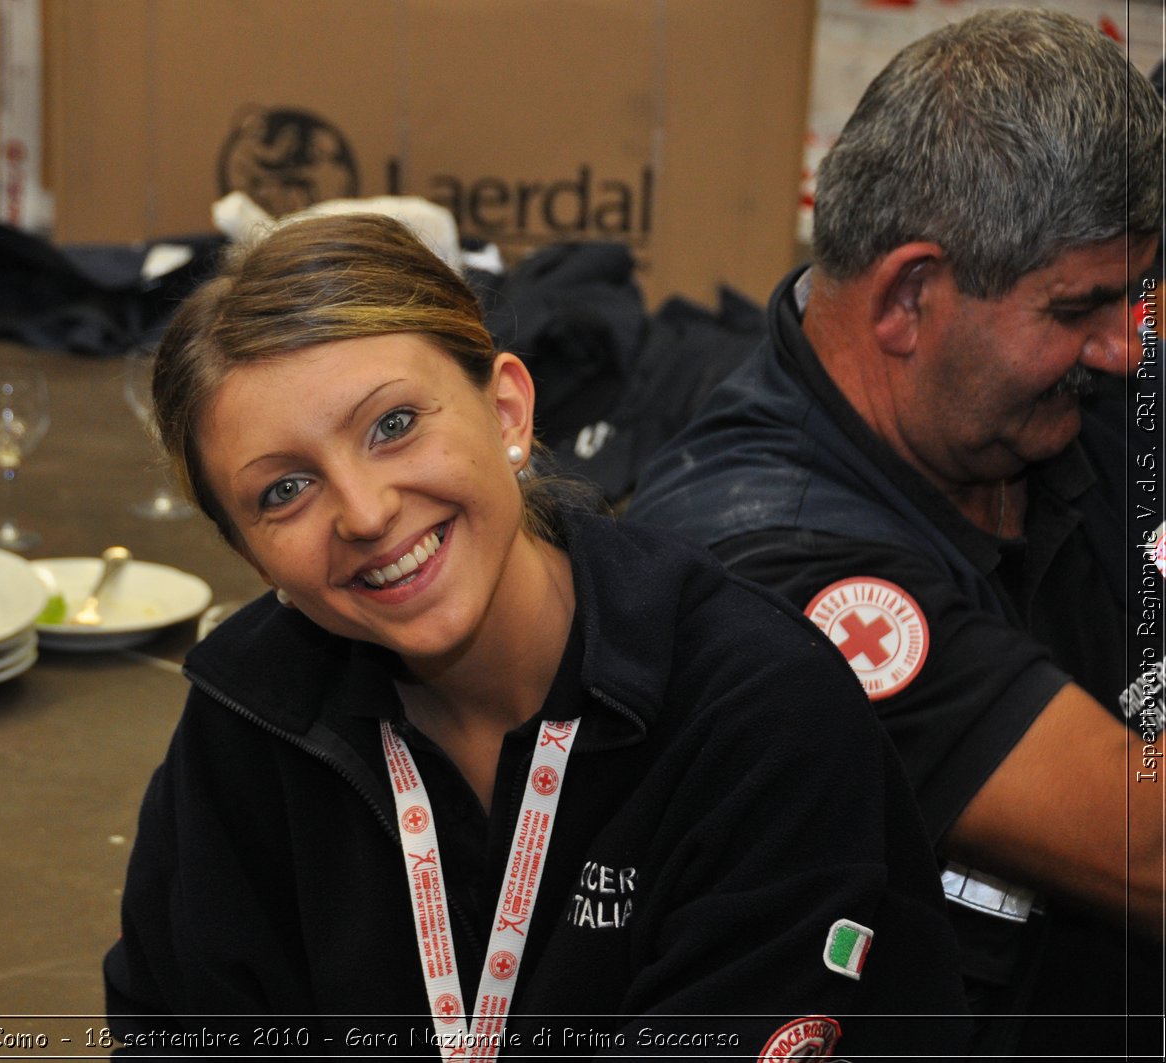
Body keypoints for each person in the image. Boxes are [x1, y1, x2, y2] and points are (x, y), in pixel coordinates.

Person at [102, 213, 969, 1058]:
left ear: (509, 410)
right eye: (284, 490)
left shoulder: (758, 714)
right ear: (251, 554)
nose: (365, 513)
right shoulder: (247, 722)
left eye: (394, 425)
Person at [626, 8, 1163, 1056]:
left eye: (1137, 294)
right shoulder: (764, 557)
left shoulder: (1045, 407)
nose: (1122, 348)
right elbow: (1144, 843)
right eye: (1077, 310)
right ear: (908, 297)